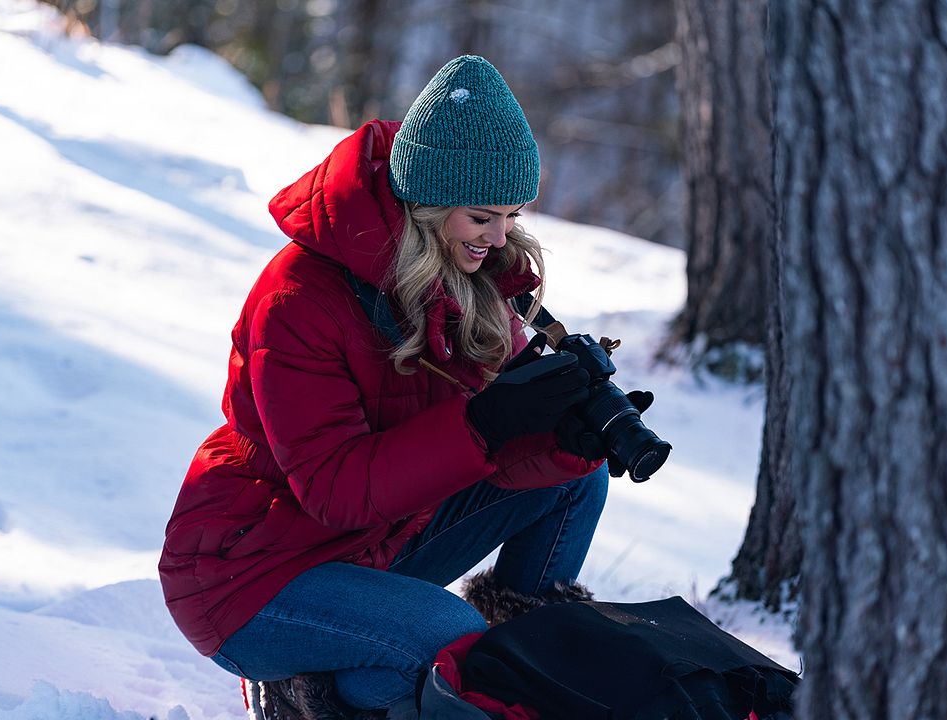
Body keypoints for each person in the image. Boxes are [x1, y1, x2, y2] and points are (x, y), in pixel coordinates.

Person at [159, 55, 610, 719]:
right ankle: (325, 678)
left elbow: (472, 454)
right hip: (252, 575)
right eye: (482, 216)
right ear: (427, 205)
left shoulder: (468, 276)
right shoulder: (299, 300)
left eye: (512, 215)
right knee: (453, 643)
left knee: (571, 481)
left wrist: (559, 434)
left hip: (376, 543)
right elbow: (337, 490)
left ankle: (515, 679)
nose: (501, 237)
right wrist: (486, 422)